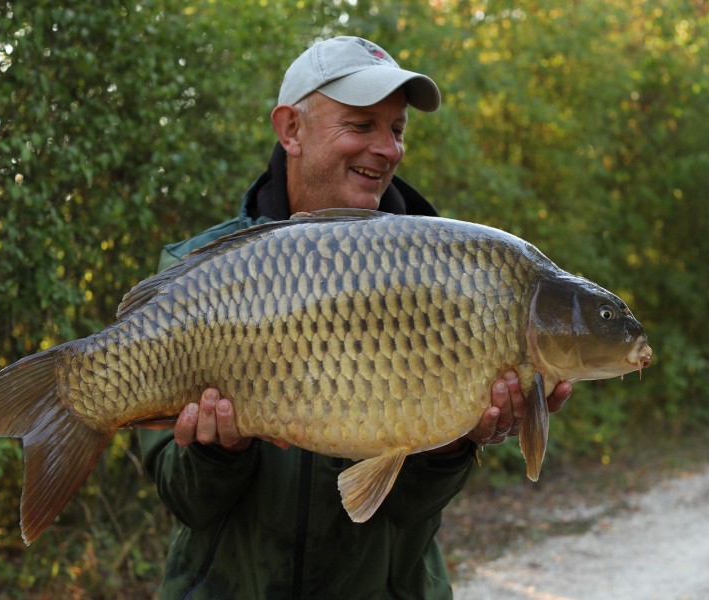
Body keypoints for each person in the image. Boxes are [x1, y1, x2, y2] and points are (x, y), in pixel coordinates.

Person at [140, 36, 571, 599]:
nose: (388, 149)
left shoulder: (455, 281)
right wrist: (218, 449)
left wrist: (449, 445)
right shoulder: (194, 274)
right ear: (290, 129)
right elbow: (186, 500)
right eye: (362, 125)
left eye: (396, 130)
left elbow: (405, 512)